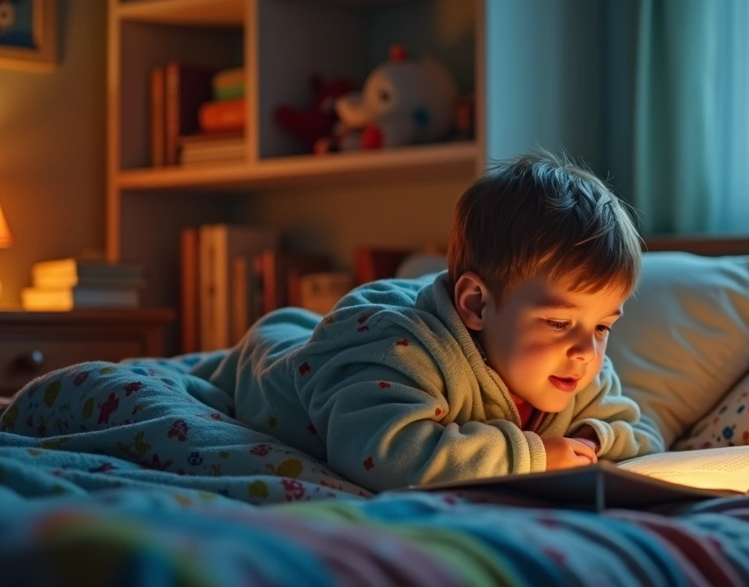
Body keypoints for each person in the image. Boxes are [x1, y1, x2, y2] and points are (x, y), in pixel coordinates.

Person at [207, 150, 664, 492]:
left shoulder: (580, 370)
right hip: (273, 361)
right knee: (269, 344)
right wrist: (534, 456)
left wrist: (590, 440)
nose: (588, 352)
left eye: (603, 326)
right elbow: (383, 452)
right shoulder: (404, 351)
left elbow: (643, 440)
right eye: (560, 324)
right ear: (478, 305)